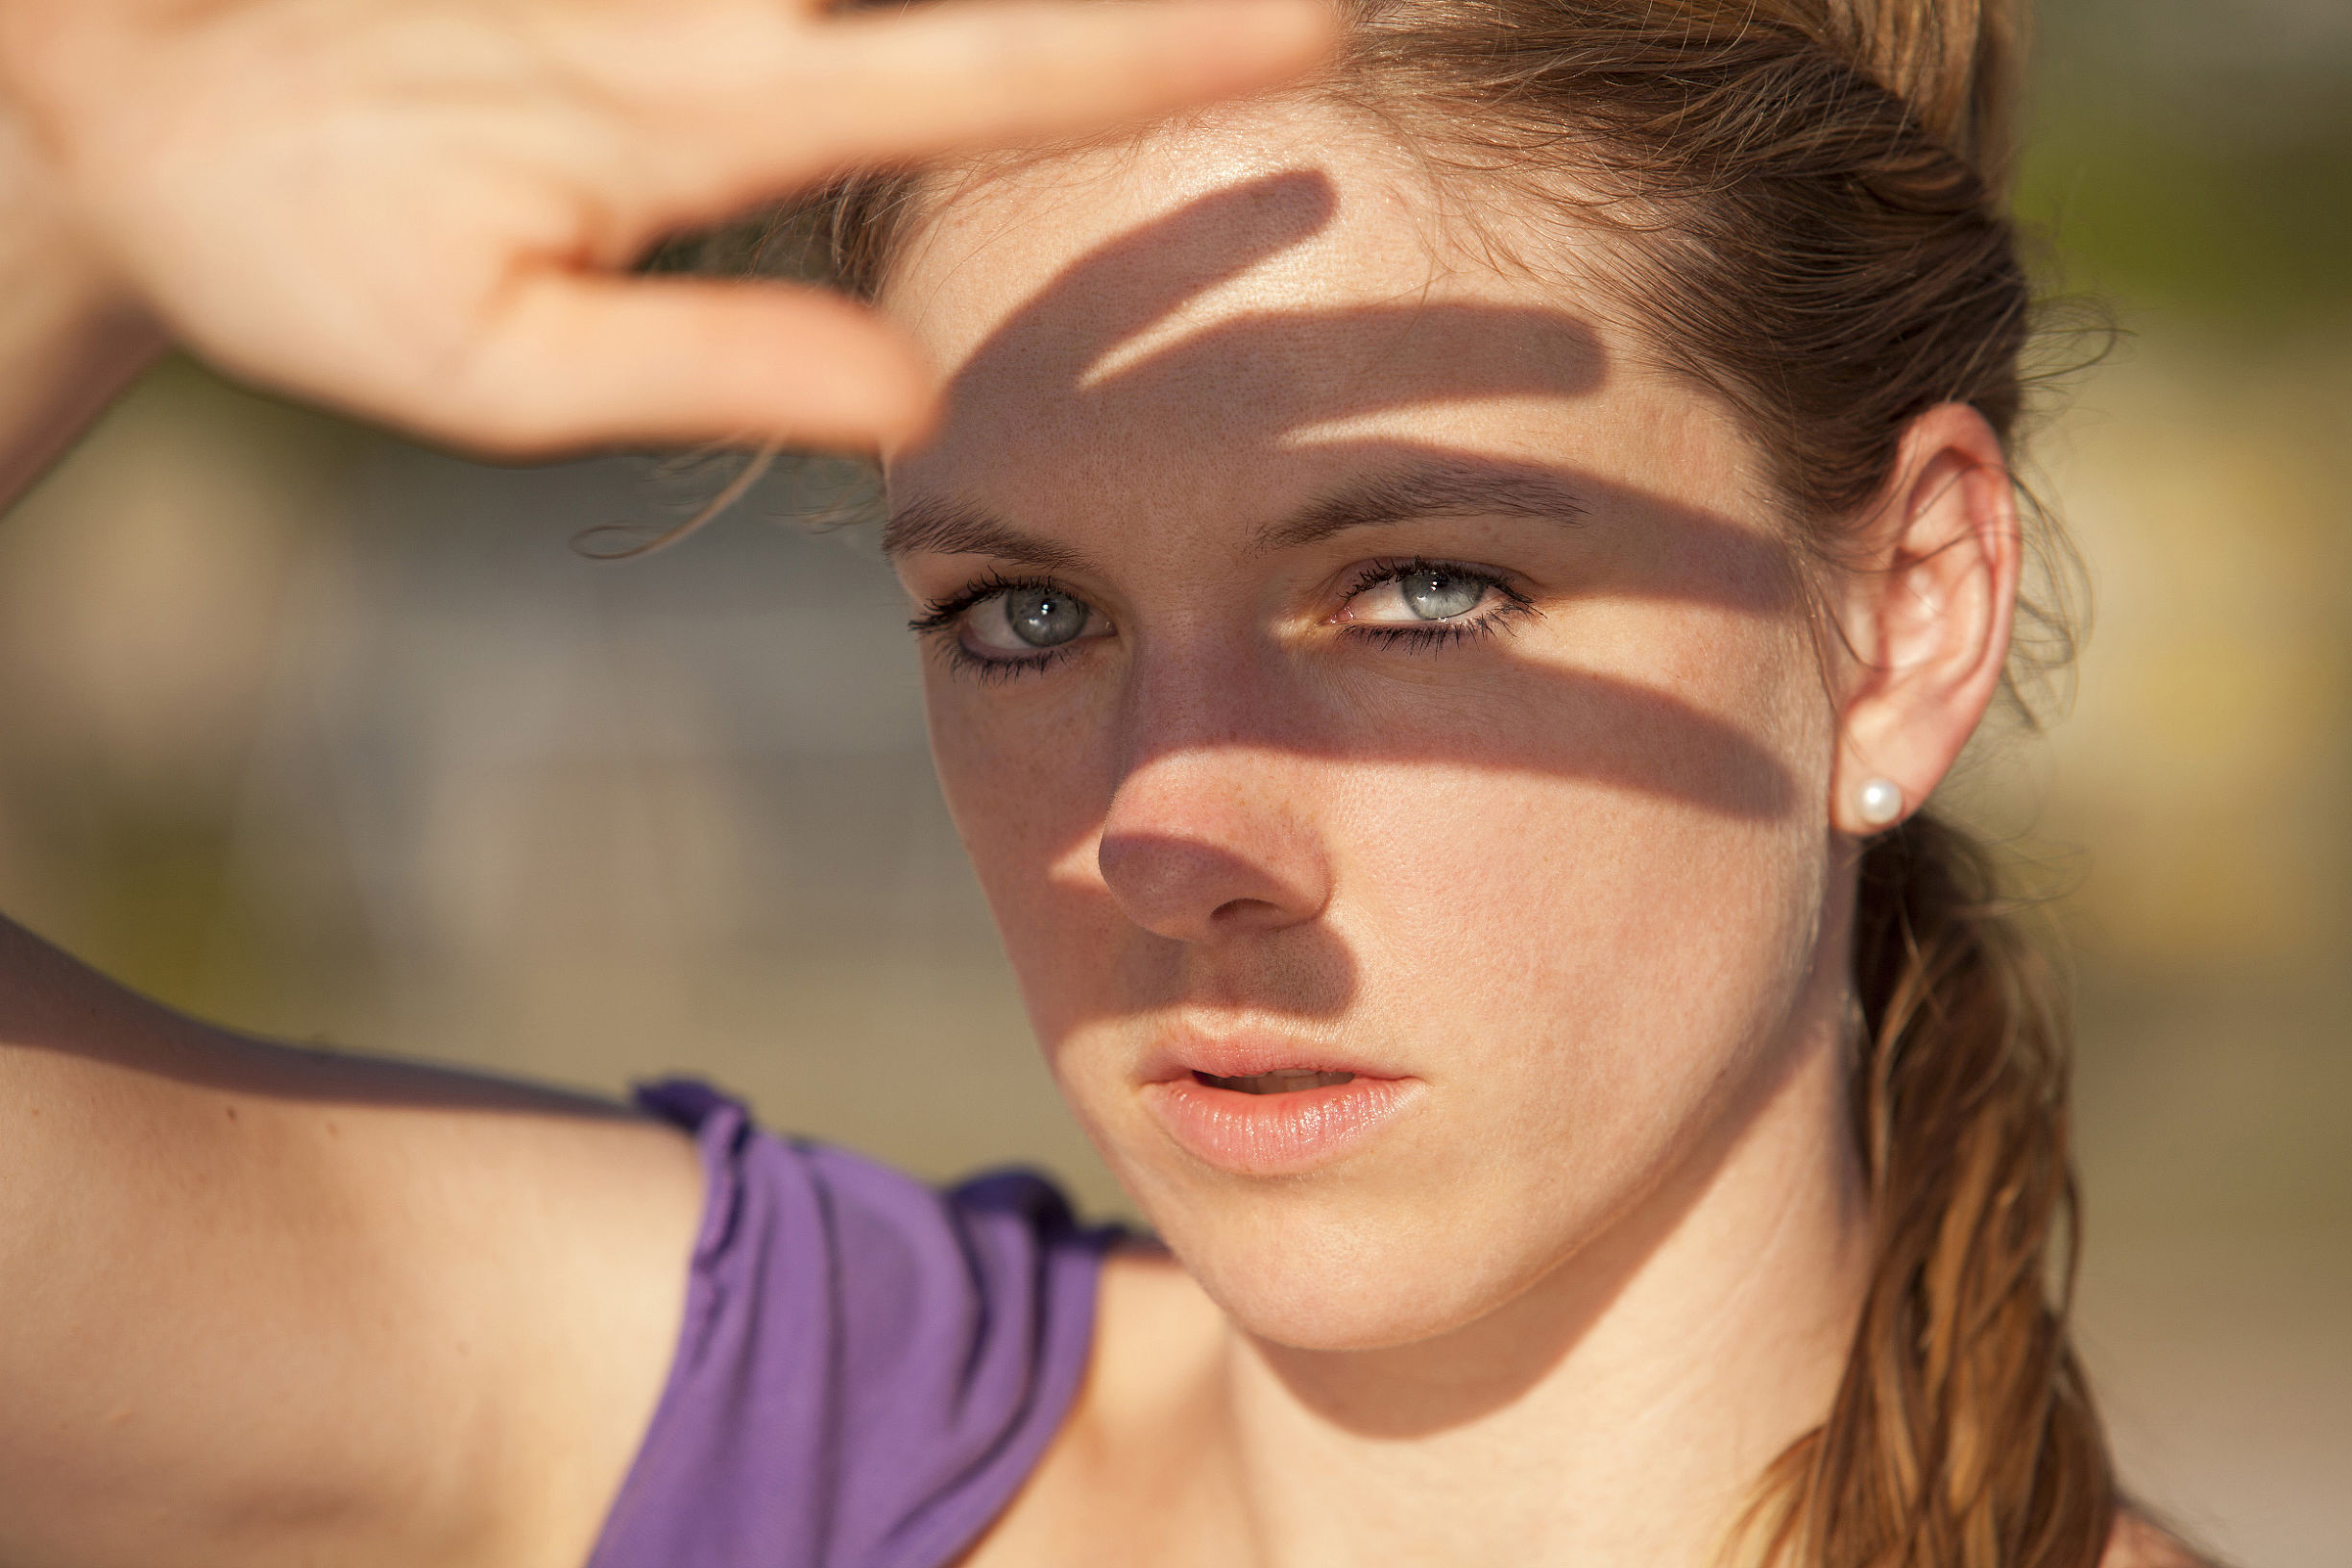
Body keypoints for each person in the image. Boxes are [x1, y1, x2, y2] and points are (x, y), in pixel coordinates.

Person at [0, 0, 2207, 1564]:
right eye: (1026, 614)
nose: (1166, 829)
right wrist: (59, 214)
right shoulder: (780, 1434)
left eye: (1422, 586)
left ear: (1904, 614)